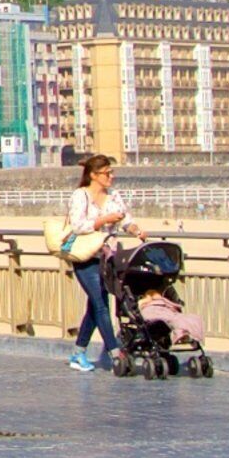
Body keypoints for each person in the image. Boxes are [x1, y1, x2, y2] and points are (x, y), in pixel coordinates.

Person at [62, 153, 131, 371]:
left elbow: (125, 217)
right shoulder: (80, 196)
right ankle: (114, 352)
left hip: (107, 256)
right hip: (86, 257)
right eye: (107, 173)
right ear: (93, 175)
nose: (111, 176)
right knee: (101, 304)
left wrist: (135, 229)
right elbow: (78, 225)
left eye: (112, 172)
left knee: (95, 306)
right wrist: (103, 220)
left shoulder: (113, 196)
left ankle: (78, 353)